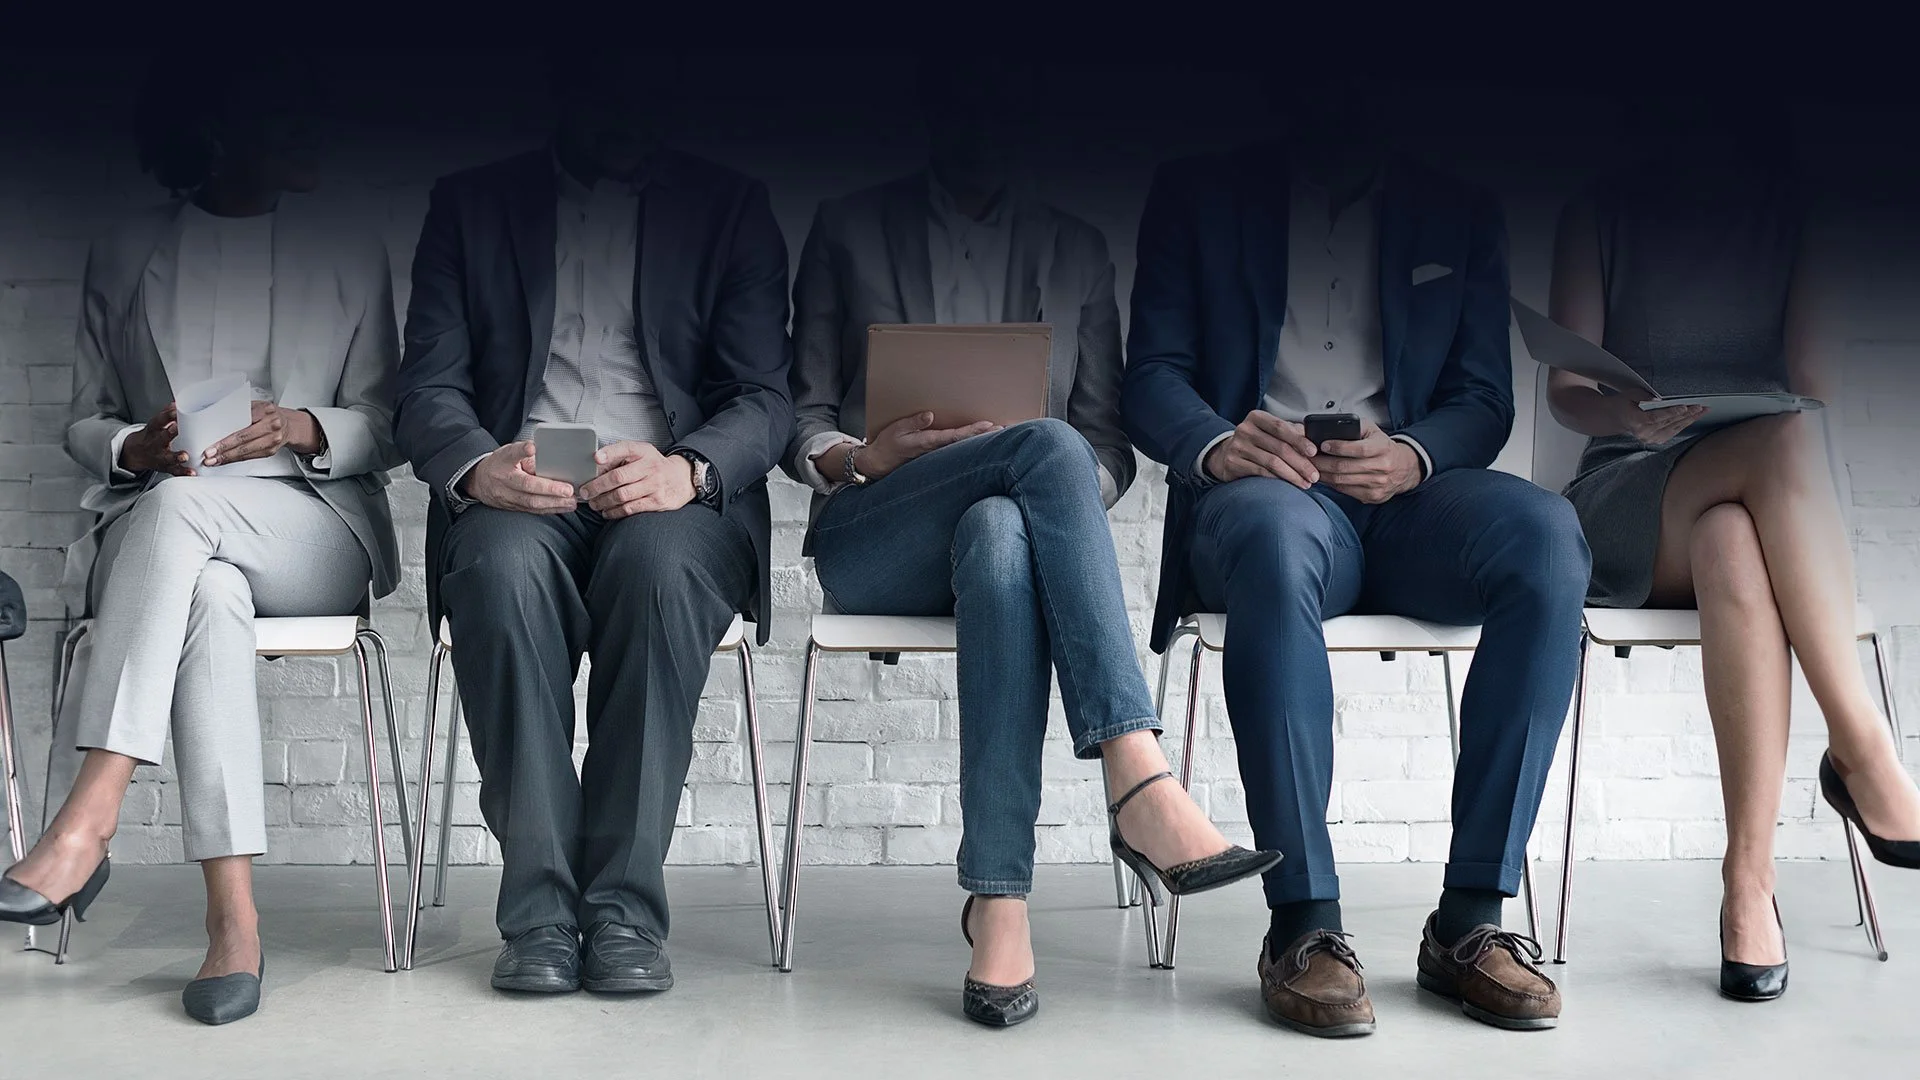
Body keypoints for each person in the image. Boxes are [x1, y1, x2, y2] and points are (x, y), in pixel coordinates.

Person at [786, 56, 1278, 1029]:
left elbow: (1108, 448)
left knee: (1008, 531)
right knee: (1043, 449)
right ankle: (1136, 776)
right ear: (930, 100)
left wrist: (1049, 490)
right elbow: (797, 418)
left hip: (1002, 539)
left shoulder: (1078, 250)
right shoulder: (847, 227)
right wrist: (863, 453)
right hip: (874, 530)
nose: (980, 114)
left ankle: (999, 903)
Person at [1121, 80, 1590, 1036]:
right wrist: (1219, 443)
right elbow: (1151, 376)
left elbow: (1482, 399)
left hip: (1408, 502)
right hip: (1264, 499)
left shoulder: (1462, 208)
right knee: (1271, 531)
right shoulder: (1197, 191)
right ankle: (1303, 923)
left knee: (1547, 538)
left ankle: (1472, 922)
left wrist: (1413, 455)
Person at [0, 55, 402, 1027]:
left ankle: (87, 822)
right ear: (223, 126)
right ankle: (234, 925)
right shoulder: (131, 245)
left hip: (314, 526)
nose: (315, 133)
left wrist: (304, 425)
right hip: (175, 535)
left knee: (185, 521)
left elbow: (392, 421)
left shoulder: (349, 242)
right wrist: (133, 444)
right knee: (208, 588)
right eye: (291, 112)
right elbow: (81, 418)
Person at [392, 54, 792, 996]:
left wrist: (689, 470)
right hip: (523, 479)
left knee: (656, 576)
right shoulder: (470, 203)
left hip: (667, 481)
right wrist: (477, 466)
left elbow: (764, 398)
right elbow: (427, 389)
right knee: (496, 575)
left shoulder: (729, 205)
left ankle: (620, 913)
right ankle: (536, 915)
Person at [1547, 95, 1920, 1002]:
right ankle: (1863, 749)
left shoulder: (1801, 210)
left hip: (1749, 501)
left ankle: (1746, 888)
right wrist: (1626, 413)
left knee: (1735, 534)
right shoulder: (1601, 208)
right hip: (1631, 493)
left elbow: (1815, 387)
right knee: (1765, 470)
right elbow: (1564, 389)